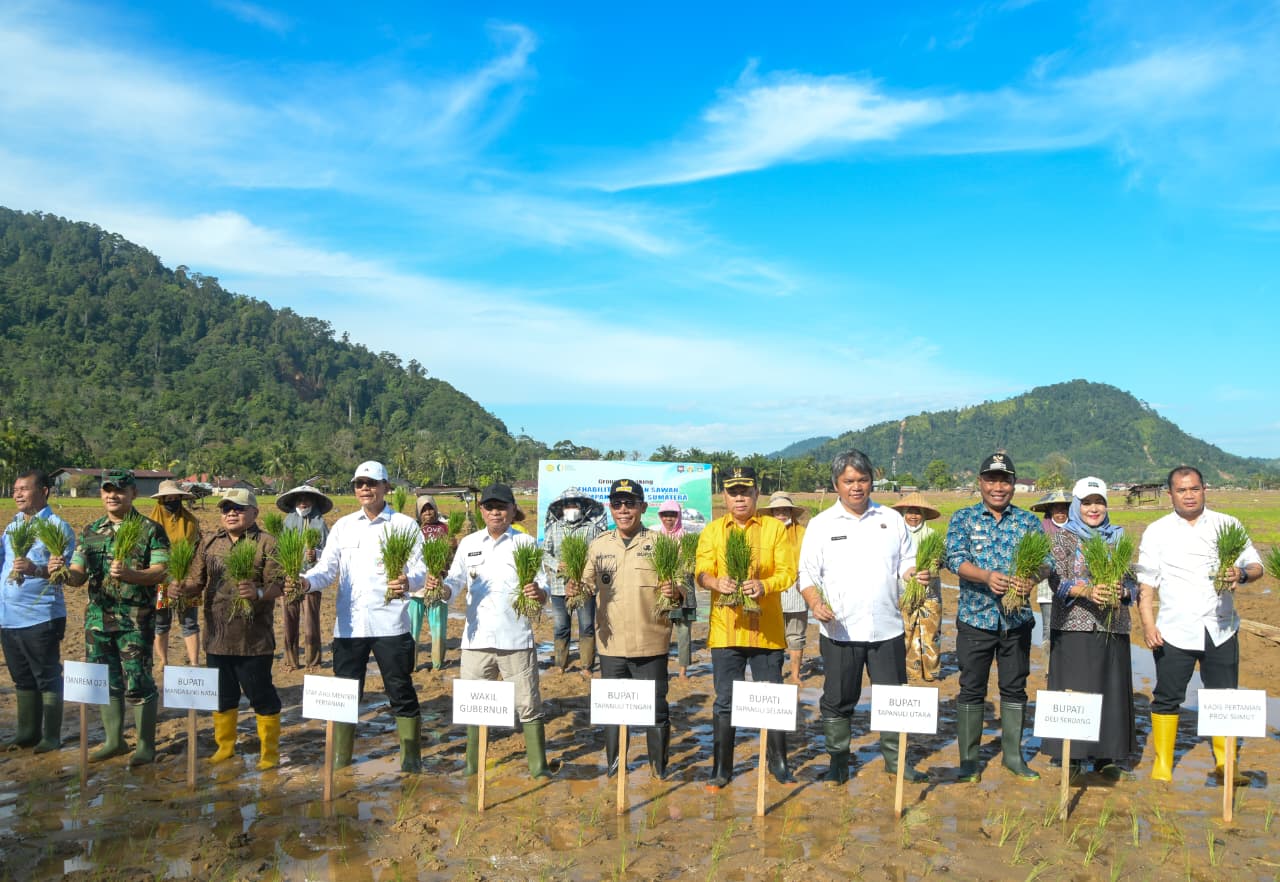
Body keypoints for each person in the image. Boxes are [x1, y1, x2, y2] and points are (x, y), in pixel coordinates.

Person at [800, 451, 929, 784]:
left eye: (862, 480)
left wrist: (914, 574)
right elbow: (807, 574)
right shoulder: (821, 525)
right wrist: (815, 603)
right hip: (839, 630)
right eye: (848, 481)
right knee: (838, 699)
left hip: (886, 629)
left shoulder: (890, 519)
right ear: (835, 485)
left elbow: (906, 562)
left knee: (893, 698)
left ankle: (895, 760)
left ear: (872, 481)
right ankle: (839, 761)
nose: (856, 487)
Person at [294, 462, 426, 773]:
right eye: (359, 484)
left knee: (400, 689)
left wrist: (409, 581)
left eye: (371, 483)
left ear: (385, 487)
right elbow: (326, 571)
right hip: (349, 626)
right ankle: (342, 757)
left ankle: (410, 758)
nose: (365, 489)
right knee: (346, 691)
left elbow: (421, 570)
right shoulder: (343, 526)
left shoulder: (404, 526)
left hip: (390, 623)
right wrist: (305, 581)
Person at [1136, 465, 1262, 783]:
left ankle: (1224, 763)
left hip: (1221, 627)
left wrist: (1242, 574)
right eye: (1182, 490)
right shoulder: (1157, 531)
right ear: (1170, 494)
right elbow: (1146, 586)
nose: (1189, 495)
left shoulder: (1227, 524)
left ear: (1204, 489)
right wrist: (1148, 626)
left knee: (1224, 697)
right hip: (1174, 629)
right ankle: (1163, 763)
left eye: (1194, 488)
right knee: (1167, 696)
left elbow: (1255, 564)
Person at [432, 483, 553, 779]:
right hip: (477, 639)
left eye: (502, 507)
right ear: (481, 511)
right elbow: (456, 582)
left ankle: (539, 768)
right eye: (490, 507)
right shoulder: (469, 543)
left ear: (513, 510)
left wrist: (538, 592)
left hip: (516, 638)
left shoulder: (525, 544)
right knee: (475, 705)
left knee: (527, 703)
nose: (495, 512)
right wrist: (442, 589)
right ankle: (472, 765)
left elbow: (545, 585)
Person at [50, 469, 169, 765]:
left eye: (119, 490)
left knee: (139, 683)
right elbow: (78, 575)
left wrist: (132, 575)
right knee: (106, 682)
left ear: (133, 494)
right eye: (107, 490)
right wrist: (62, 573)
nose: (112, 495)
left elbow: (161, 571)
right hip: (98, 620)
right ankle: (114, 741)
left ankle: (145, 745)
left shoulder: (150, 530)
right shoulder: (91, 531)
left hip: (135, 620)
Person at [944, 452, 1047, 782]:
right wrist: (985, 577)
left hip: (1016, 623)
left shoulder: (1028, 522)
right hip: (975, 619)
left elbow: (1047, 562)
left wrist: (1030, 579)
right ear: (981, 483)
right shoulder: (963, 519)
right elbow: (955, 559)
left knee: (1015, 689)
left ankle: (1013, 757)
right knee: (971, 689)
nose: (998, 487)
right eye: (991, 480)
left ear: (1014, 484)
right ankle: (969, 760)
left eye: (1005, 480)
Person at [571, 479, 683, 778]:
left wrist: (676, 591)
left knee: (656, 711)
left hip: (651, 642)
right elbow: (585, 586)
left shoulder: (660, 544)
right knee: (614, 712)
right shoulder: (599, 545)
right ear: (610, 507)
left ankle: (658, 770)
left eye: (630, 503)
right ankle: (615, 768)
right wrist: (574, 587)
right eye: (618, 504)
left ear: (643, 508)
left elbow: (684, 590)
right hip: (612, 645)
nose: (624, 510)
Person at [695, 465, 798, 789]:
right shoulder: (712, 531)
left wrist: (764, 586)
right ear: (724, 495)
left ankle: (778, 762)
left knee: (771, 699)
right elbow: (700, 571)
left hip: (766, 632)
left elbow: (787, 572)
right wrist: (715, 581)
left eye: (746, 491)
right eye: (733, 492)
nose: (740, 497)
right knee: (725, 700)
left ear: (756, 493)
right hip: (726, 631)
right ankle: (722, 768)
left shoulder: (774, 529)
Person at [175, 489, 284, 769]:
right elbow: (196, 582)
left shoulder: (267, 543)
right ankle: (225, 747)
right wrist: (180, 587)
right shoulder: (209, 542)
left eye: (238, 508)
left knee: (261, 694)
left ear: (254, 512)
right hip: (216, 636)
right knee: (223, 695)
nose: (231, 513)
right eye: (226, 508)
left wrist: (258, 593)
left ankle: (269, 752)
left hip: (254, 639)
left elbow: (279, 585)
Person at [1041, 477, 1137, 779]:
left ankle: (1105, 756)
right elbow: (1055, 580)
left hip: (1112, 625)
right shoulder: (1062, 538)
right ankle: (1070, 755)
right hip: (1073, 625)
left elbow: (1133, 581)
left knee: (1109, 688)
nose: (1094, 508)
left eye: (1099, 502)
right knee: (1074, 687)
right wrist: (1085, 591)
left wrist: (1121, 591)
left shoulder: (1117, 538)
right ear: (1076, 505)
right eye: (1087, 502)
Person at [1, 470, 75, 752]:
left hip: (41, 616)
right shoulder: (13, 526)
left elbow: (65, 574)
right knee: (21, 677)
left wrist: (35, 570)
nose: (17, 494)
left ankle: (51, 736)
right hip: (8, 617)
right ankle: (27, 732)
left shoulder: (57, 527)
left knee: (46, 676)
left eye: (24, 488)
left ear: (44, 491)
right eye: (15, 489)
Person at [542, 489, 608, 674]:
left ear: (582, 507)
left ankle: (586, 665)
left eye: (575, 505)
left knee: (586, 625)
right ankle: (560, 664)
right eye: (567, 505)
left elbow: (599, 555)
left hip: (584, 586)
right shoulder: (554, 529)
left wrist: (584, 571)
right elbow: (545, 553)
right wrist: (557, 564)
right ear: (562, 508)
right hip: (558, 587)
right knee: (561, 626)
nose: (571, 508)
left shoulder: (592, 529)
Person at [276, 485, 331, 670]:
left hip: (312, 578)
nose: (303, 503)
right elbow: (279, 550)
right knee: (289, 620)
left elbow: (330, 554)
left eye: (307, 499)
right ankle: (291, 660)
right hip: (290, 578)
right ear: (294, 503)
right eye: (299, 500)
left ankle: (313, 661)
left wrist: (315, 554)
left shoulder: (320, 523)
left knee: (311, 621)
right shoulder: (287, 522)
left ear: (314, 502)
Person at [891, 492, 944, 683]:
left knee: (930, 633)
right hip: (904, 590)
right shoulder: (896, 535)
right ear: (903, 513)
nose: (913, 516)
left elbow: (942, 561)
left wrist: (938, 562)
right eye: (910, 512)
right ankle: (911, 672)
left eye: (917, 512)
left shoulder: (932, 535)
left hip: (930, 591)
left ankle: (931, 672)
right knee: (907, 633)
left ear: (923, 514)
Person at [148, 479, 201, 669]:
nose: (171, 501)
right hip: (160, 581)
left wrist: (188, 580)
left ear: (180, 498)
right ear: (160, 501)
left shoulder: (191, 522)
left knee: (190, 622)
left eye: (175, 497)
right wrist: (166, 579)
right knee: (161, 623)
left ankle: (194, 662)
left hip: (187, 582)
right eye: (167, 498)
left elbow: (197, 553)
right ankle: (163, 660)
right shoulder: (150, 525)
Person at [761, 492, 809, 684]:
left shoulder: (802, 533)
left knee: (796, 634)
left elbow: (809, 560)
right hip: (770, 590)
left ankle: (795, 675)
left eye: (785, 510)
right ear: (771, 513)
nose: (781, 514)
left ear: (791, 512)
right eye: (777, 511)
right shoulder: (763, 534)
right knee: (773, 635)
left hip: (796, 589)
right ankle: (775, 673)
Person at [653, 500, 697, 678]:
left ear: (678, 516)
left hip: (685, 592)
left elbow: (695, 567)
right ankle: (659, 668)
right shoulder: (655, 538)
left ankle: (682, 671)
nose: (668, 518)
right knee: (660, 633)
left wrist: (686, 570)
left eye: (672, 514)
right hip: (662, 592)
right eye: (664, 514)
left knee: (684, 632)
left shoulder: (687, 538)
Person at [414, 494, 451, 672]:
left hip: (438, 584)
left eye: (430, 508)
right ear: (418, 513)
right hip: (416, 588)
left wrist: (453, 548)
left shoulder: (444, 529)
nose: (428, 512)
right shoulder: (412, 530)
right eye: (423, 509)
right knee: (412, 628)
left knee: (438, 627)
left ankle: (437, 663)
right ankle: (411, 664)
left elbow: (450, 559)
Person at [1029, 488, 1071, 644]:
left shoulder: (1076, 527)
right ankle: (1048, 666)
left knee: (1069, 624)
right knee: (1048, 626)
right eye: (1056, 508)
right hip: (1046, 580)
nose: (1060, 512)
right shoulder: (1041, 528)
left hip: (1072, 582)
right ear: (1050, 510)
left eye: (1064, 508)